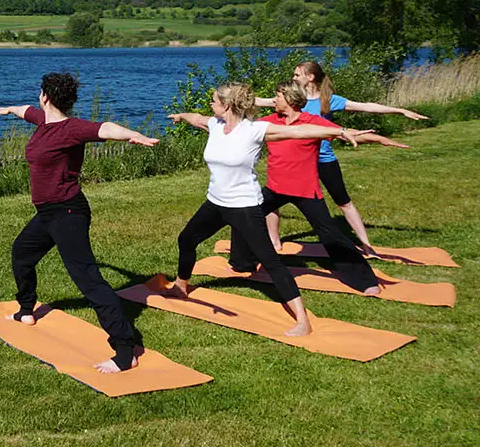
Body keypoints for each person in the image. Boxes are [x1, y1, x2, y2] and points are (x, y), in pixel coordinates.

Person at [167, 82, 372, 336]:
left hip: (244, 206)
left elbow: (300, 132)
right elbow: (195, 117)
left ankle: (302, 320)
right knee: (186, 239)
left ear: (227, 105)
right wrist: (180, 115)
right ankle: (180, 286)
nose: (211, 104)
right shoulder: (215, 125)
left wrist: (340, 131)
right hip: (215, 202)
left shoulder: (254, 130)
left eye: (214, 101)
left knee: (270, 261)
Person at [0, 72, 160, 373]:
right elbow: (24, 111)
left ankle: (126, 350)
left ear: (45, 96)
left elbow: (106, 128)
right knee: (22, 254)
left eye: (40, 92)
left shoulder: (71, 129)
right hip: (48, 213)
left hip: (67, 213)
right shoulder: (43, 121)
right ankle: (26, 310)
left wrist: (133, 135)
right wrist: (8, 110)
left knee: (88, 279)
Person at [237, 81, 411, 295]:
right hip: (275, 188)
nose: (274, 100)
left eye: (278, 96)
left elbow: (345, 133)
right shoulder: (270, 122)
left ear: (290, 99)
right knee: (244, 216)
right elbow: (240, 129)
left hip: (305, 190)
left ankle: (364, 280)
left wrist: (379, 139)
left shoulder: (312, 122)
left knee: (330, 234)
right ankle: (242, 262)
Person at [258, 61, 427, 255]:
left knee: (343, 201)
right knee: (274, 195)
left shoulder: (327, 100)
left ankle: (366, 245)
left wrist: (398, 110)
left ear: (310, 77)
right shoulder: (286, 98)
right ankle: (274, 242)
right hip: (295, 161)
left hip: (323, 158)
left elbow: (366, 107)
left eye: (297, 75)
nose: (293, 77)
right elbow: (253, 101)